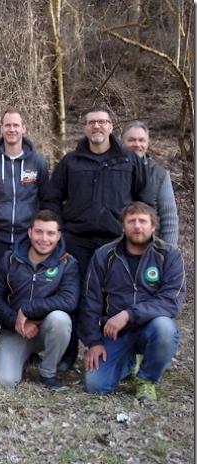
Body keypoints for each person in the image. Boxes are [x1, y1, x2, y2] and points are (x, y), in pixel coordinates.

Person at [41, 106, 151, 371]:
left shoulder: (128, 160)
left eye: (102, 122)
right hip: (77, 240)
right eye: (91, 123)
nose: (97, 127)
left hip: (115, 242)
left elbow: (143, 200)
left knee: (114, 297)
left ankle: (114, 354)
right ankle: (68, 354)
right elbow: (53, 198)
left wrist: (137, 234)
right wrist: (59, 231)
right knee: (74, 296)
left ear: (111, 126)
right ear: (85, 128)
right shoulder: (71, 161)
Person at [80, 202, 185, 401]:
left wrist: (129, 314)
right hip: (115, 333)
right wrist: (93, 341)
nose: (137, 226)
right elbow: (91, 301)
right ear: (123, 227)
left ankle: (147, 380)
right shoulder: (104, 255)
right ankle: (128, 362)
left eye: (143, 221)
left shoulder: (169, 255)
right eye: (131, 221)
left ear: (153, 226)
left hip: (151, 328)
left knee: (165, 328)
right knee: (96, 386)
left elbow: (170, 301)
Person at [0, 109, 50, 364]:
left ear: (24, 129)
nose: (12, 130)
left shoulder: (38, 163)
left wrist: (40, 235)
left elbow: (45, 202)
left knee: (24, 291)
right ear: (1, 129)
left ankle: (28, 347)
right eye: (7, 125)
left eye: (16, 125)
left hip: (25, 239)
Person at [0, 210, 80, 390]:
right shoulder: (9, 259)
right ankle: (23, 358)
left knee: (60, 319)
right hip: (15, 329)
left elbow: (69, 300)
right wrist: (15, 320)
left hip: (47, 328)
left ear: (59, 235)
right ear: (30, 232)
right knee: (5, 381)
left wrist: (28, 309)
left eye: (50, 233)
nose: (44, 238)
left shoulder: (67, 263)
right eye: (39, 232)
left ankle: (48, 372)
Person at [122, 121, 179, 246]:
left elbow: (169, 217)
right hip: (116, 246)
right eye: (131, 140)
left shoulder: (160, 174)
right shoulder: (111, 170)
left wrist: (169, 252)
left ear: (147, 144)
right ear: (123, 143)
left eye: (141, 140)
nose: (137, 144)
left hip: (149, 246)